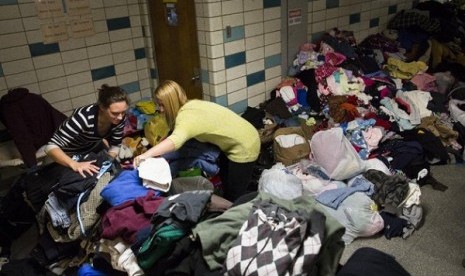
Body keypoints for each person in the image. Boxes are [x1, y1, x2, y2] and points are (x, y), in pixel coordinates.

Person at [133, 80, 260, 201]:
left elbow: (175, 140)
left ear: (171, 102)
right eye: (158, 104)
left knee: (235, 195)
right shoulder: (190, 104)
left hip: (245, 145)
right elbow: (172, 135)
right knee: (227, 184)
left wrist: (146, 154)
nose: (160, 109)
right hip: (237, 138)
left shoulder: (187, 118)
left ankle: (239, 217)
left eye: (162, 105)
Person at [45, 84, 129, 177]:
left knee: (115, 174)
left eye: (123, 112)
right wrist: (75, 165)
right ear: (102, 107)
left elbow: (115, 145)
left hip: (90, 149)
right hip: (67, 154)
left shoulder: (120, 117)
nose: (120, 117)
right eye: (114, 113)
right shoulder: (83, 118)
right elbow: (50, 147)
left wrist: (108, 160)